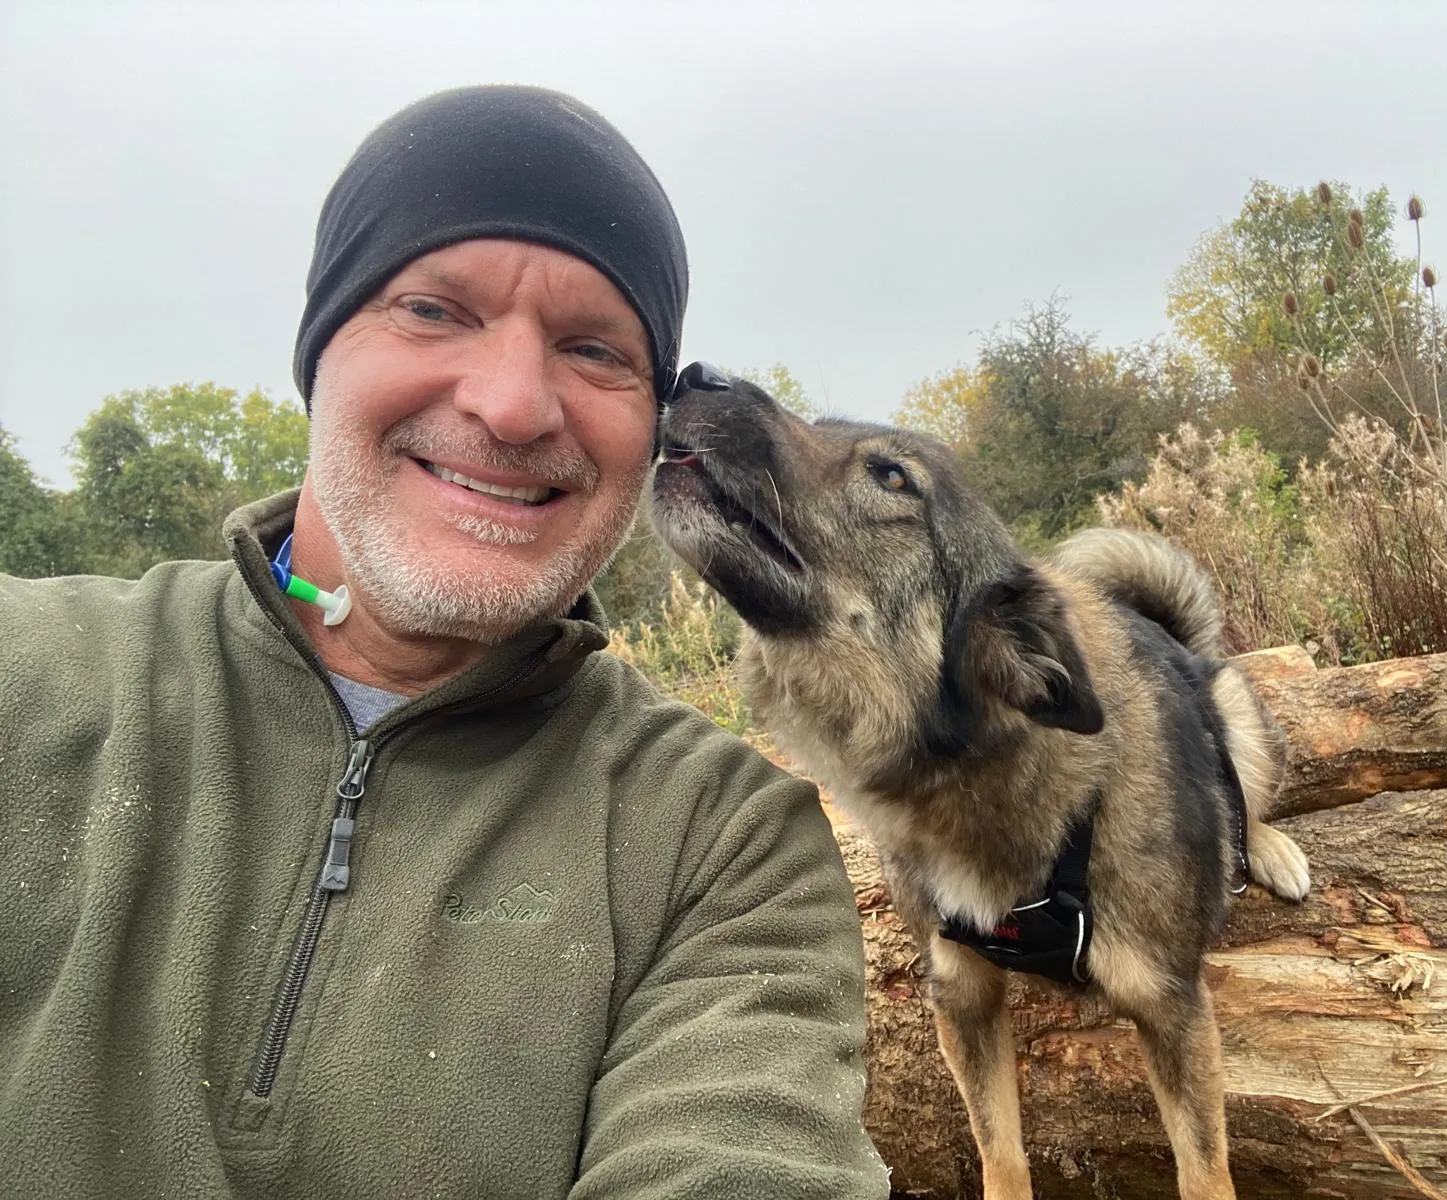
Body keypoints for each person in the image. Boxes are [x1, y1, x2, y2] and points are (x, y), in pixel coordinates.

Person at [0, 85, 889, 1199]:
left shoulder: (723, 845)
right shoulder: (26, 676)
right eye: (432, 309)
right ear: (320, 351)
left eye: (594, 349)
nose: (516, 405)